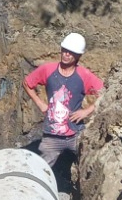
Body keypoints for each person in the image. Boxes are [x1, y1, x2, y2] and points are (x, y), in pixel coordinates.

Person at [23, 32, 104, 170]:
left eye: (71, 52)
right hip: (52, 134)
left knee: (86, 167)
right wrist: (40, 103)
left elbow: (105, 93)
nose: (66, 54)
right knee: (41, 170)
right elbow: (27, 83)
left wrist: (86, 111)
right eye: (65, 50)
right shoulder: (47, 70)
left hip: (76, 134)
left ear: (79, 55)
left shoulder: (84, 75)